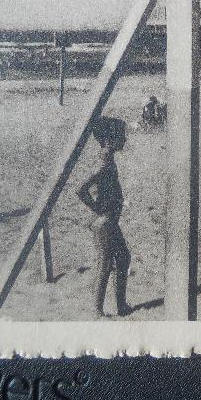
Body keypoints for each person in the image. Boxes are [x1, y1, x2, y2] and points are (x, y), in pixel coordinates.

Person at [77, 116, 132, 318]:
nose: (125, 139)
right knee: (105, 263)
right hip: (104, 222)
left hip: (110, 221)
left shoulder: (109, 159)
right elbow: (81, 190)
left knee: (123, 258)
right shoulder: (103, 163)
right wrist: (97, 209)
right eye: (122, 136)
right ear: (109, 140)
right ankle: (97, 310)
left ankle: (121, 306)